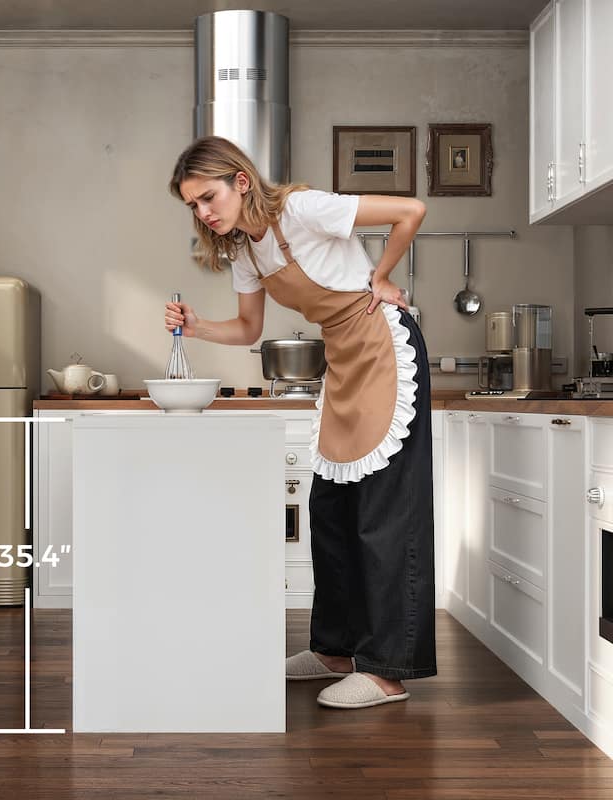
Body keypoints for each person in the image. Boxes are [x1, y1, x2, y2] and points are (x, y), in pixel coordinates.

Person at [165, 136, 435, 709]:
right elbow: (245, 330)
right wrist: (195, 324)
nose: (204, 213)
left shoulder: (301, 209)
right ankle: (335, 650)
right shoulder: (244, 252)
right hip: (342, 358)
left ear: (241, 181)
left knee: (384, 514)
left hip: (385, 348)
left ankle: (388, 670)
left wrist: (382, 278)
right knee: (330, 510)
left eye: (207, 197)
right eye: (193, 206)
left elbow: (411, 211)